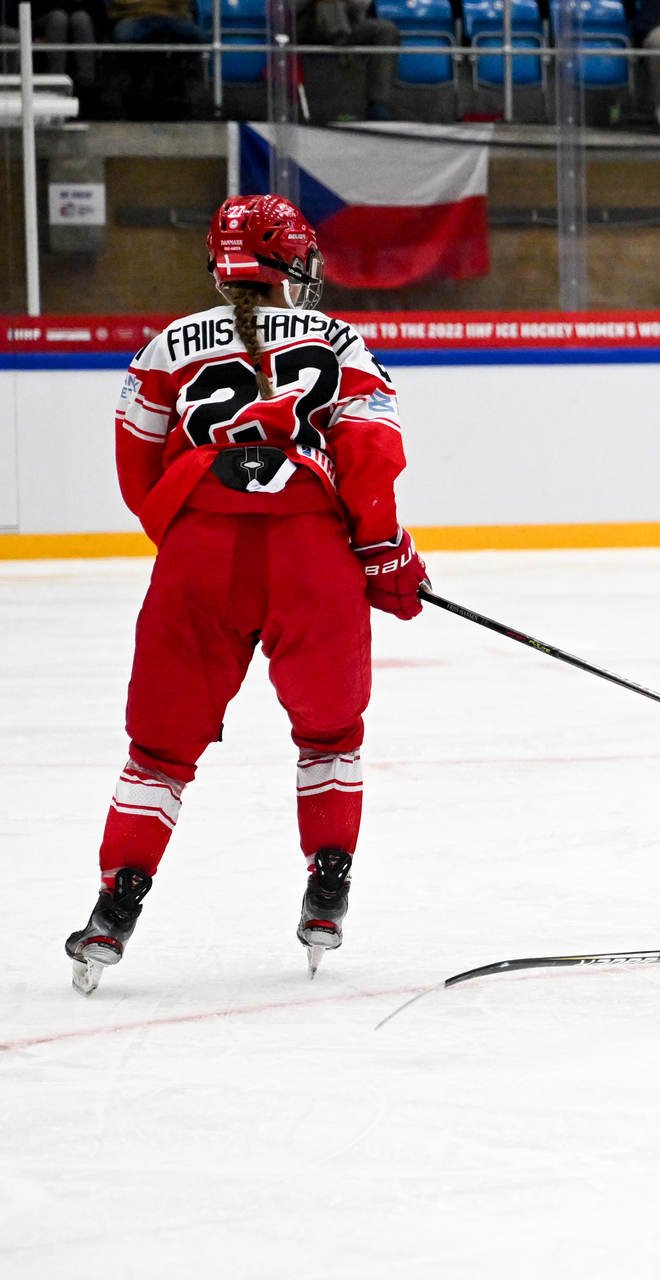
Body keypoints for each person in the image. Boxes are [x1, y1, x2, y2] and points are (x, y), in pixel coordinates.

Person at [64, 194, 430, 996]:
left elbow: (138, 473)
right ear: (291, 263)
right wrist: (381, 553)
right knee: (330, 732)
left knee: (159, 749)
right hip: (312, 555)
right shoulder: (341, 340)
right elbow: (369, 451)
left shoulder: (164, 347)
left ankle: (114, 907)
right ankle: (327, 888)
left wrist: (202, 532)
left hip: (199, 551)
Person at [295, 0, 401, 121]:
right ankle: (343, 46)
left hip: (348, 25)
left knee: (386, 30)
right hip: (309, 25)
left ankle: (378, 103)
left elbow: (361, 6)